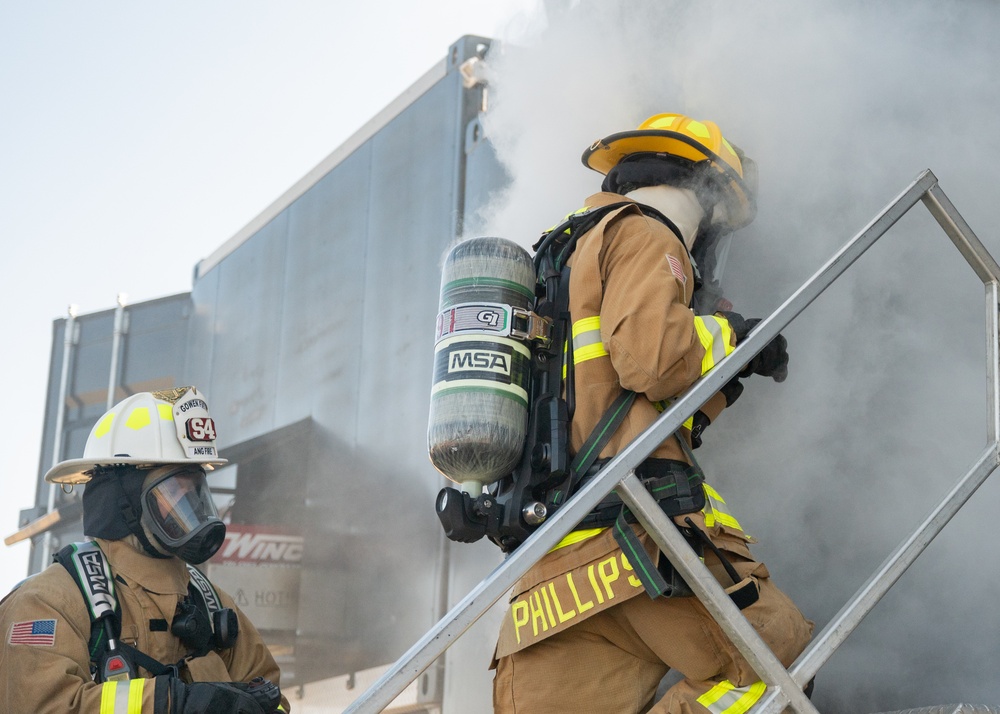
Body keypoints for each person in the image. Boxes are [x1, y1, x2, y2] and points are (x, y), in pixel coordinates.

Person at [491, 114, 814, 713]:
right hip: (635, 538)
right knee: (775, 661)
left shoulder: (562, 259)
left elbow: (623, 404)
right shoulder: (647, 232)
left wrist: (727, 379)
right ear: (706, 195)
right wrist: (735, 338)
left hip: (548, 573)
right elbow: (654, 361)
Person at [0, 386, 290, 714]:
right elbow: (42, 706)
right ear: (124, 502)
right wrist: (171, 702)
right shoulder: (49, 602)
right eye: (175, 494)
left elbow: (273, 700)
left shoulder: (211, 603)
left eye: (196, 493)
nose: (193, 511)